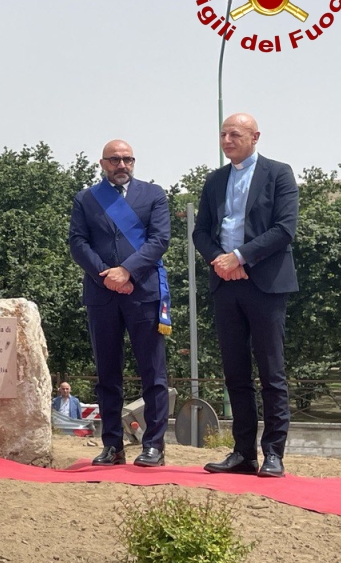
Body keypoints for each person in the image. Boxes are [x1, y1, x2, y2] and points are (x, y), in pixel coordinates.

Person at [193, 113, 298, 478]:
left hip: (265, 283)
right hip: (226, 284)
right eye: (223, 134)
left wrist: (239, 257)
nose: (227, 140)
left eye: (234, 134)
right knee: (235, 373)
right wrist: (220, 261)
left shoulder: (279, 173)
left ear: (255, 137)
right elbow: (201, 232)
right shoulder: (215, 180)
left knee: (271, 372)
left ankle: (273, 454)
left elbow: (284, 228)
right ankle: (243, 453)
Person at [69, 140, 171, 468]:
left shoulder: (153, 195)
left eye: (127, 159)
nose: (122, 164)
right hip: (102, 295)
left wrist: (126, 271)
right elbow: (77, 243)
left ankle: (153, 446)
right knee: (107, 374)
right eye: (114, 159)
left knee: (153, 373)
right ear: (102, 164)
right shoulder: (86, 198)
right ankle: (112, 445)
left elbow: (160, 240)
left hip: (143, 293)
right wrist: (107, 276)